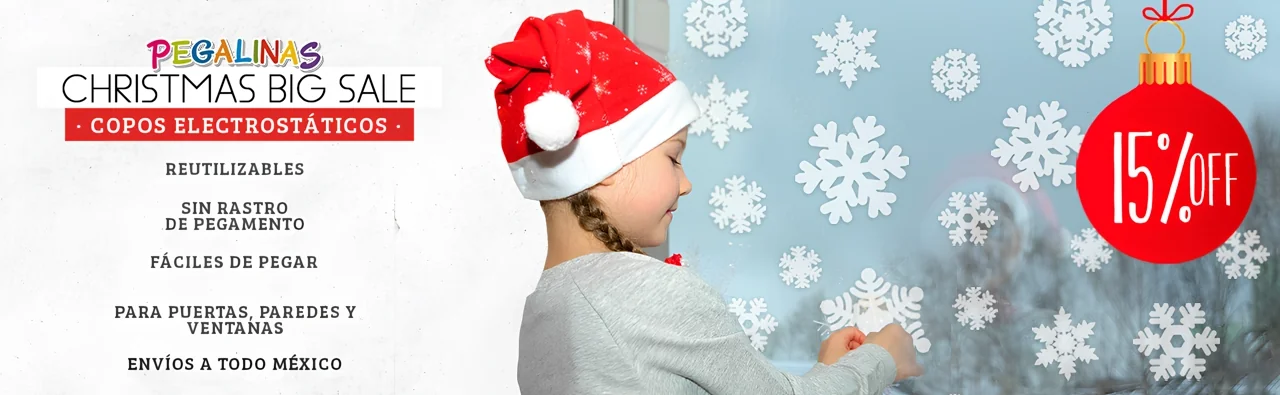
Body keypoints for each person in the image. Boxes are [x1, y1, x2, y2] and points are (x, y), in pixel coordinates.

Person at [485, 10, 924, 394]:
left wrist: (826, 373)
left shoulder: (545, 313)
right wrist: (880, 360)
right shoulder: (644, 293)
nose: (686, 183)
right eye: (673, 158)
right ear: (609, 164)